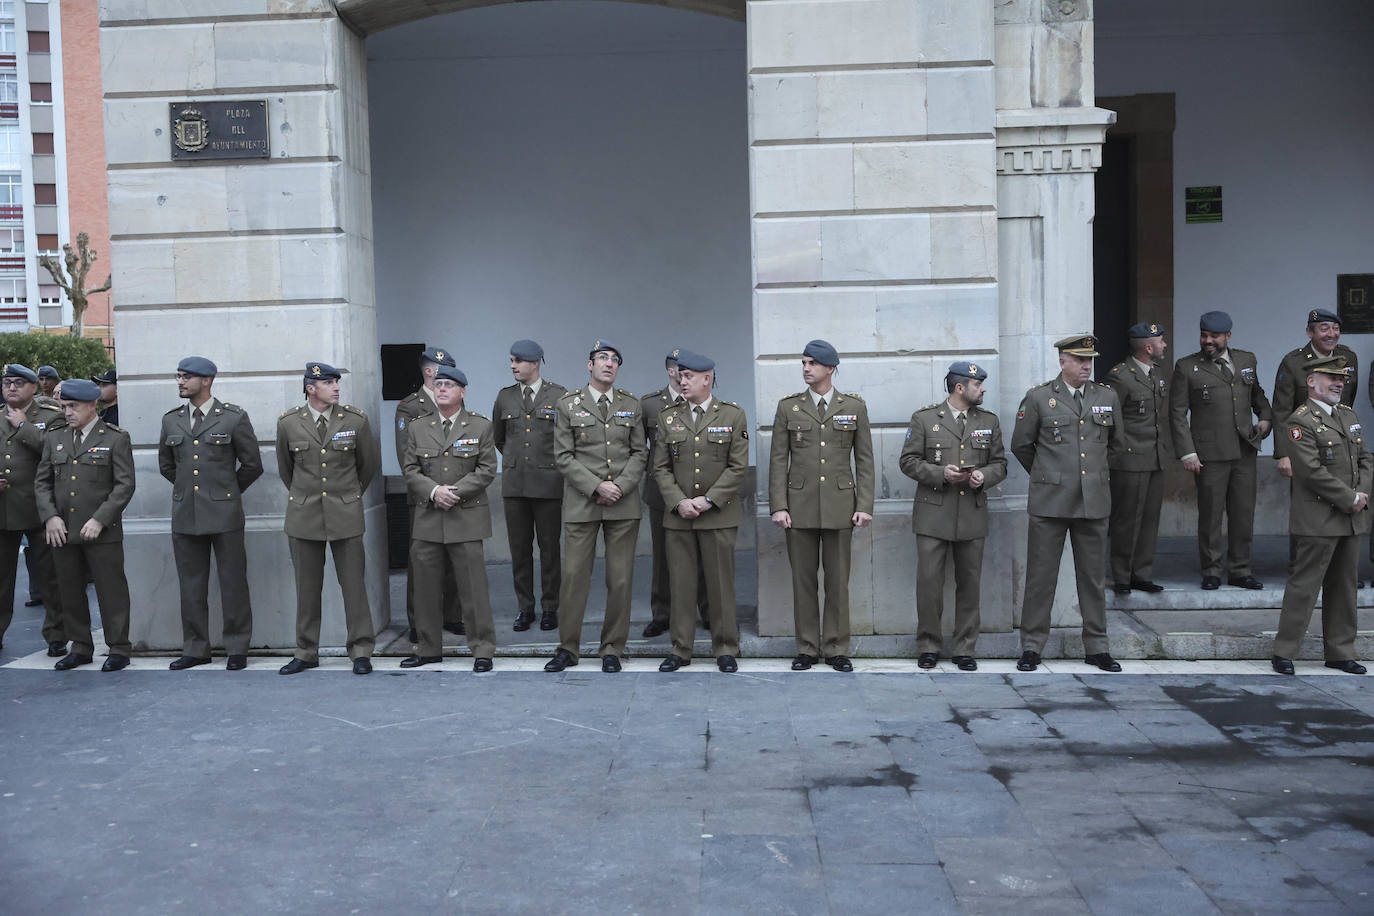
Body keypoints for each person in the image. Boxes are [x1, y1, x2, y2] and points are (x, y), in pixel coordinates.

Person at [1011, 334, 1124, 673]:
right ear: (1063, 361)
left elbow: (1116, 446)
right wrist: (1049, 476)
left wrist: (1091, 478)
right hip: (1050, 502)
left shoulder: (1107, 396)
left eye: (1090, 360)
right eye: (1080, 360)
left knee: (1092, 578)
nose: (1087, 366)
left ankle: (1097, 646)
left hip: (1093, 501)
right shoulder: (1039, 398)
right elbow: (1021, 445)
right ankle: (1032, 646)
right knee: (1041, 577)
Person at [767, 339, 874, 673]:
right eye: (803, 363)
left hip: (841, 505)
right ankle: (807, 647)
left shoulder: (853, 407)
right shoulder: (789, 408)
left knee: (837, 582)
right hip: (798, 507)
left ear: (830, 368)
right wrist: (778, 506)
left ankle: (836, 647)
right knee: (804, 581)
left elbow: (866, 460)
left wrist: (864, 504)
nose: (806, 369)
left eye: (812, 363)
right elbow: (777, 460)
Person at [544, 340, 647, 674]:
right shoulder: (568, 404)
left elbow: (639, 452)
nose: (609, 364)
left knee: (620, 579)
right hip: (582, 503)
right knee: (574, 577)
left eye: (615, 360)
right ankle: (567, 647)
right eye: (602, 358)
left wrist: (620, 486)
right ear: (589, 365)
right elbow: (563, 455)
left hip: (622, 502)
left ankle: (612, 648)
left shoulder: (631, 403)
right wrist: (596, 486)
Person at [898, 361, 1007, 671]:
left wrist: (983, 476)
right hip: (934, 514)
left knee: (969, 583)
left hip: (971, 514)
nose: (983, 389)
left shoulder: (989, 421)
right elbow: (907, 462)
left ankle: (964, 648)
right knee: (929, 584)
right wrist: (940, 473)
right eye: (978, 384)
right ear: (960, 387)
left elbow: (1000, 463)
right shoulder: (925, 419)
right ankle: (929, 645)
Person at [158, 357, 264, 671]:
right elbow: (167, 465)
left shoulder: (232, 417)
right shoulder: (171, 420)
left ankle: (236, 647)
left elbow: (252, 464)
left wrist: (225, 491)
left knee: (233, 583)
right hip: (185, 514)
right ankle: (195, 647)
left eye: (187, 377)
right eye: (178, 376)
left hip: (225, 514)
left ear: (207, 380)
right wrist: (188, 491)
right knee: (190, 585)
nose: (180, 382)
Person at [276, 362, 380, 675]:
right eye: (330, 383)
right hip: (304, 515)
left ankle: (361, 650)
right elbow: (286, 470)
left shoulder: (356, 420)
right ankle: (306, 651)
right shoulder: (289, 423)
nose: (336, 387)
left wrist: (347, 496)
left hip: (345, 513)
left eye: (337, 382)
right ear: (311, 388)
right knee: (307, 589)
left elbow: (368, 465)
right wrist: (307, 496)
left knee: (354, 587)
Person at [1271, 356, 1370, 676]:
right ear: (1311, 382)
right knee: (1305, 586)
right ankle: (1284, 651)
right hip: (1318, 517)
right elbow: (1310, 471)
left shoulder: (1347, 414)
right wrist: (1349, 497)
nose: (1338, 382)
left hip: (1350, 516)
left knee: (1345, 587)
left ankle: (1340, 652)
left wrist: (1362, 494)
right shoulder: (1300, 421)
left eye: (1341, 377)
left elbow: (1366, 459)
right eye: (1330, 377)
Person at [651, 350, 749, 673]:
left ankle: (725, 647)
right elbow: (660, 468)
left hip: (718, 515)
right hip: (679, 516)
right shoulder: (668, 417)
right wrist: (679, 501)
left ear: (707, 379)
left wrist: (708, 500)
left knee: (720, 584)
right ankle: (680, 649)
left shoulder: (732, 415)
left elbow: (737, 468)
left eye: (689, 376)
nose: (682, 380)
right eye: (680, 375)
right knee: (681, 583)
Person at [35, 377, 135, 671]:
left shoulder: (115, 437)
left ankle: (118, 647)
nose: (67, 412)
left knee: (110, 591)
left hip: (101, 531)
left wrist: (100, 519)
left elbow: (124, 485)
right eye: (65, 406)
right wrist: (50, 516)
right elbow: (42, 483)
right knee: (69, 590)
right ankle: (80, 646)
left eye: (73, 406)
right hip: (63, 530)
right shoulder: (55, 438)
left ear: (92, 405)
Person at [402, 365, 498, 671]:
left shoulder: (479, 426)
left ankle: (482, 649)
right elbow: (410, 469)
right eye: (437, 383)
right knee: (425, 589)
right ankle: (429, 648)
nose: (441, 388)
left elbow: (486, 469)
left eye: (449, 385)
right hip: (429, 518)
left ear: (462, 392)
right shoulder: (418, 427)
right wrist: (433, 492)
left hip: (465, 517)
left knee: (473, 590)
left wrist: (452, 492)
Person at [1168, 311, 1273, 590]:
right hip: (1209, 453)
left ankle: (1240, 569)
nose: (1208, 341)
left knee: (1242, 514)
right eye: (1204, 335)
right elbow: (1177, 414)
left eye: (1214, 336)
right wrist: (1187, 452)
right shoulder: (1186, 367)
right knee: (1211, 514)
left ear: (1228, 336)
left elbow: (1257, 394)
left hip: (1244, 450)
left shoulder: (1246, 360)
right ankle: (1211, 570)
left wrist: (1265, 416)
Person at [491, 339, 566, 632]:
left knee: (549, 549)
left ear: (535, 363)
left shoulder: (559, 396)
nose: (513, 366)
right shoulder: (504, 397)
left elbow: (564, 439)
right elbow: (499, 437)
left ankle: (550, 607)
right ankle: (525, 607)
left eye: (518, 361)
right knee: (519, 550)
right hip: (515, 485)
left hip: (548, 483)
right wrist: (514, 462)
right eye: (511, 360)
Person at [395, 346, 465, 641]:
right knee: (421, 562)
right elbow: (405, 457)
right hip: (424, 497)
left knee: (453, 559)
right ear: (429, 371)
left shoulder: (452, 397)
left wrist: (455, 490)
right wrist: (433, 490)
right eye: (442, 370)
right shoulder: (410, 407)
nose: (445, 379)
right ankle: (418, 621)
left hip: (454, 494)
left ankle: (452, 616)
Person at [640, 349, 707, 638]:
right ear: (671, 371)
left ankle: (708, 611)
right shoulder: (651, 405)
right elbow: (638, 446)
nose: (684, 377)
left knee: (704, 555)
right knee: (663, 556)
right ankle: (663, 614)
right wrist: (658, 473)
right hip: (662, 493)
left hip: (699, 492)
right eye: (680, 371)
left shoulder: (703, 402)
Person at [0, 364, 66, 655]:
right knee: (2, 581)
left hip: (41, 509)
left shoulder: (51, 417)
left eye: (18, 383)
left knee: (49, 578)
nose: (11, 388)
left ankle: (56, 636)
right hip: (5, 510)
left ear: (34, 388)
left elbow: (56, 453)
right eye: (7, 383)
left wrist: (23, 426)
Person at [1104, 322, 1171, 594]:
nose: (1164, 345)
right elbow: (1109, 418)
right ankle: (1121, 575)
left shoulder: (1156, 374)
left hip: (1154, 457)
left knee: (1149, 519)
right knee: (1127, 519)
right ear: (1147, 347)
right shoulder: (1121, 376)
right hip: (1129, 460)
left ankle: (1141, 573)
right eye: (1160, 341)